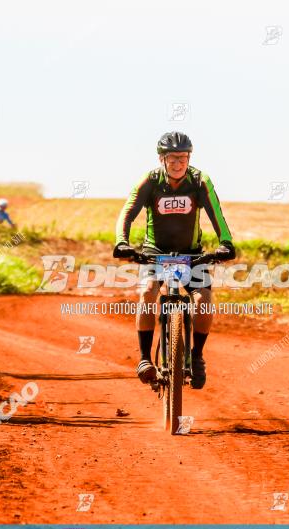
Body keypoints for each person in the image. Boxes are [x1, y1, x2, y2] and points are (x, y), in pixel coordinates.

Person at [113, 131, 235, 389]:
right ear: (162, 159)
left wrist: (225, 242)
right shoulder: (150, 181)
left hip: (191, 254)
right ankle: (145, 359)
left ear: (189, 157)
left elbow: (217, 215)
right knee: (147, 291)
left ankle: (198, 355)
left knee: (203, 300)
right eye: (172, 158)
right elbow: (127, 212)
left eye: (183, 157)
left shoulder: (200, 180)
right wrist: (122, 241)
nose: (178, 163)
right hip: (155, 252)